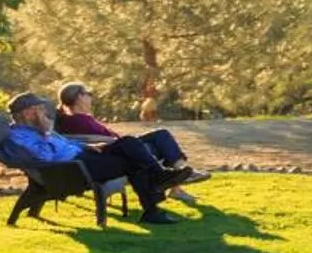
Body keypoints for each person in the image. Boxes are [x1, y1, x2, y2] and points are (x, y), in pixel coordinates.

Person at [0, 92, 197, 224]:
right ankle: (153, 202)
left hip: (84, 156)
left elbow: (67, 144)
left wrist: (89, 146)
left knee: (128, 142)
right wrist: (45, 132)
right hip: (73, 169)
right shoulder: (19, 136)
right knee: (130, 162)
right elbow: (46, 157)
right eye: (39, 109)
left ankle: (158, 181)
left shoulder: (39, 128)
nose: (44, 112)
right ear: (27, 113)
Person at [55, 82, 203, 204]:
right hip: (117, 150)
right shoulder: (79, 120)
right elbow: (91, 140)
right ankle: (180, 176)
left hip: (118, 146)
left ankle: (177, 185)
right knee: (161, 137)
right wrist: (120, 141)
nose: (90, 97)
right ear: (79, 97)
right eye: (87, 94)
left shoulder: (77, 119)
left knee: (160, 138)